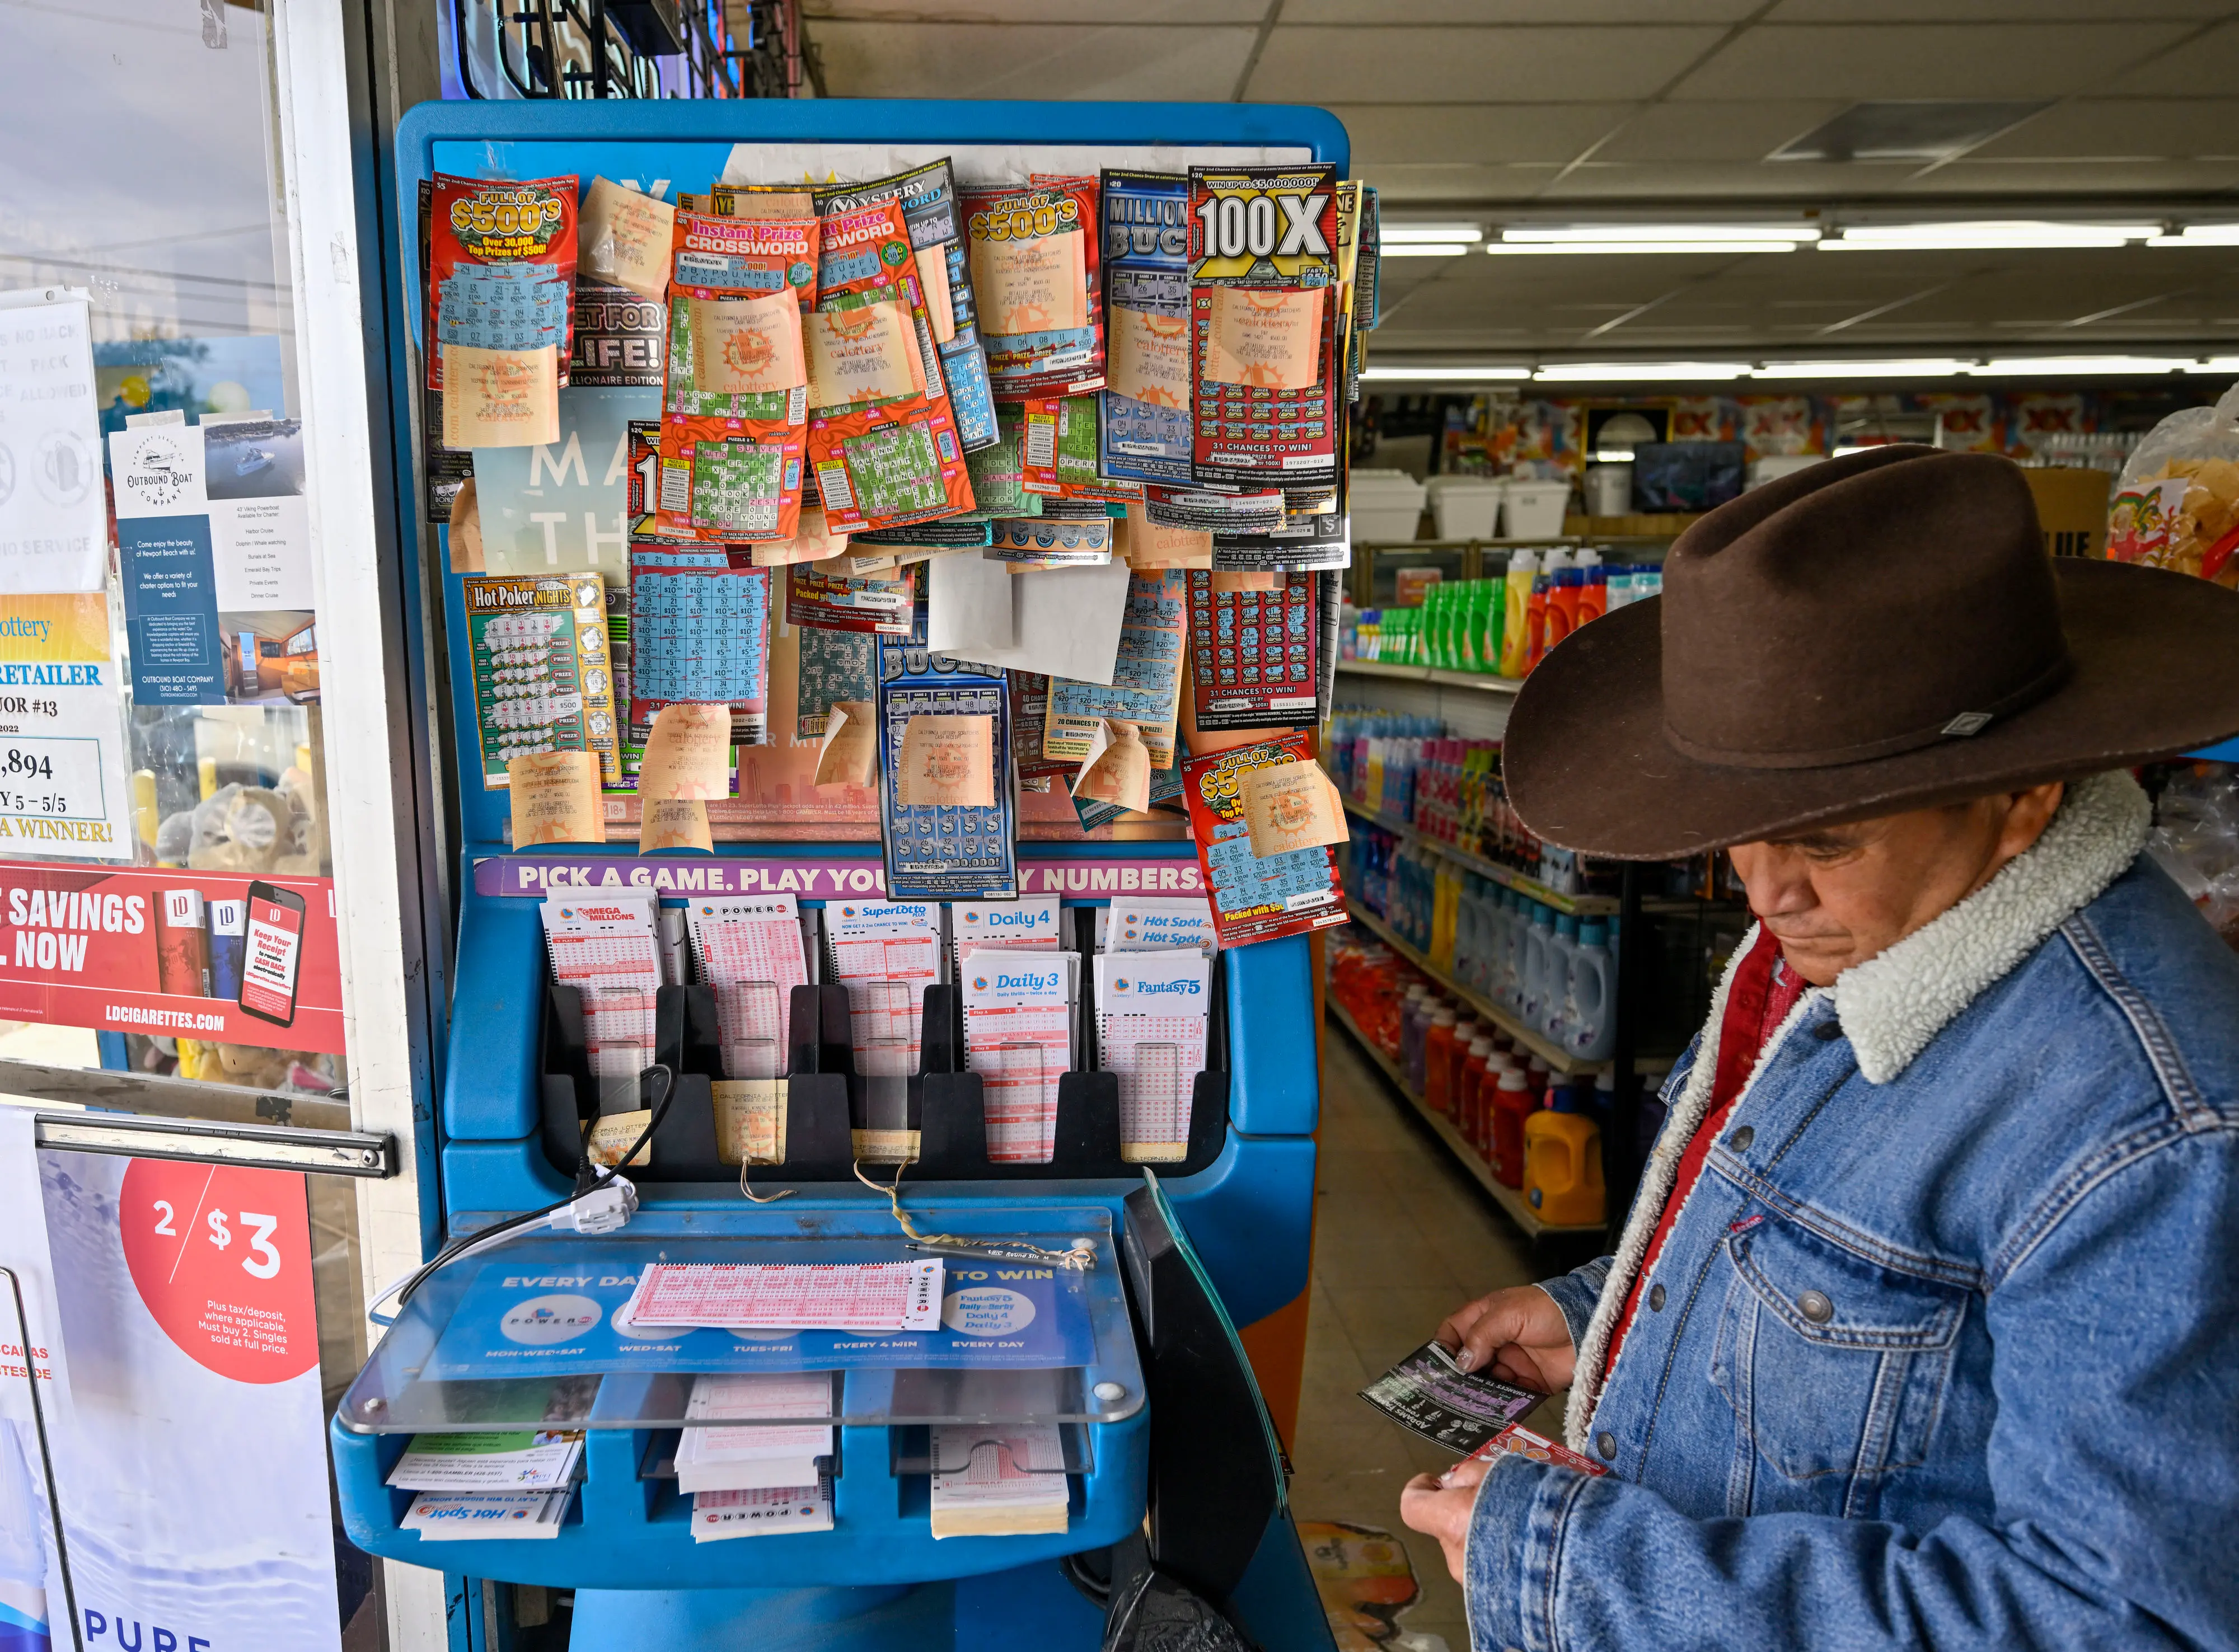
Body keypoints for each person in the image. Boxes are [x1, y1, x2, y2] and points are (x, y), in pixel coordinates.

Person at [1398, 445, 2239, 1651]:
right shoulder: (1867, 936)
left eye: (1829, 840)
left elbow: (2115, 1623)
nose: (1767, 889)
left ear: (2022, 798)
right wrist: (1605, 1319)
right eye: (1734, 833)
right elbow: (1854, 1296)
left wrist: (1572, 1563)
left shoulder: (2145, 1133)